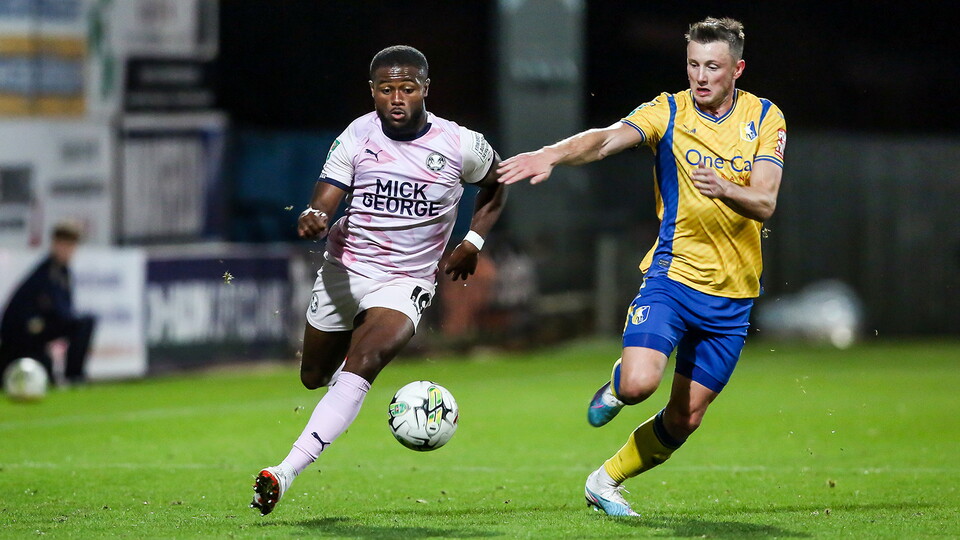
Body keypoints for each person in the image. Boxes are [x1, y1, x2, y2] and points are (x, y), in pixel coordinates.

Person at [497, 17, 785, 516]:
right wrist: (553, 154)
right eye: (693, 64)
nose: (700, 76)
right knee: (637, 386)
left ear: (737, 70)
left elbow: (765, 202)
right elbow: (606, 139)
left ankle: (604, 482)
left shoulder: (765, 117)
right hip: (672, 280)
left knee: (685, 419)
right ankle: (619, 380)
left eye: (713, 67)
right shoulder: (668, 111)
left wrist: (724, 188)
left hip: (733, 298)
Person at [250, 45, 507, 515]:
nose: (397, 98)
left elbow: (497, 181)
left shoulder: (460, 144)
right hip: (345, 270)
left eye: (407, 88)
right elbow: (327, 195)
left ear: (425, 89)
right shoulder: (358, 134)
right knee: (313, 377)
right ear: (373, 91)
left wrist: (473, 240)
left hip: (406, 281)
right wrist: (314, 215)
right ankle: (341, 390)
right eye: (387, 89)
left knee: (364, 359)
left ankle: (284, 471)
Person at [0, 222, 96, 386]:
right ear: (55, 244)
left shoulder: (63, 272)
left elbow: (64, 311)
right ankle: (73, 376)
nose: (69, 251)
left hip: (40, 331)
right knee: (82, 324)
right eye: (65, 245)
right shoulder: (46, 273)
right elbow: (59, 312)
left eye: (72, 246)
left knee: (84, 323)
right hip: (22, 334)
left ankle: (75, 375)